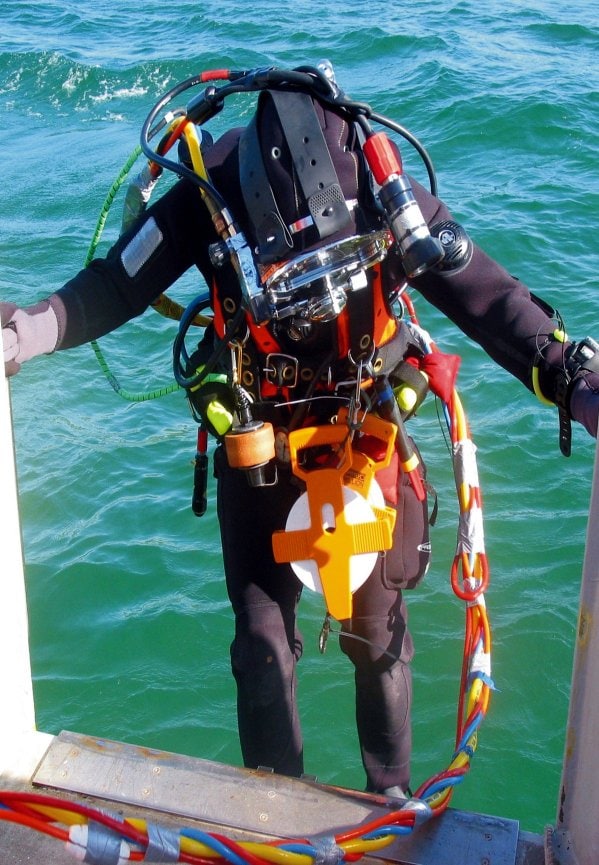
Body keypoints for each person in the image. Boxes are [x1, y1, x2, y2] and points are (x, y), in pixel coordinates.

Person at [2, 62, 599, 798]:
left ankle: (392, 806)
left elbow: (490, 300)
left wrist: (576, 379)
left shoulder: (384, 192)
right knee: (260, 647)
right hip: (259, 435)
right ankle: (272, 809)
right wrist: (25, 332)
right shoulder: (209, 189)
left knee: (377, 641)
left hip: (362, 436)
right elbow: (116, 283)